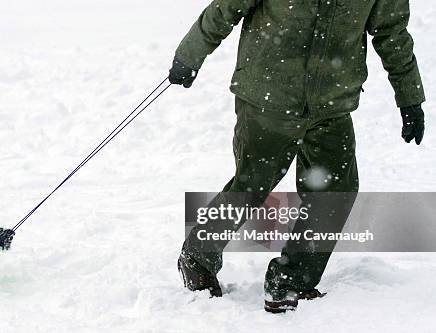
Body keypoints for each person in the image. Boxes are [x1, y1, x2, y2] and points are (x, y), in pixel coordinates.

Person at [169, 0, 425, 312]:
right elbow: (227, 6)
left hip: (332, 102)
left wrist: (409, 97)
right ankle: (198, 256)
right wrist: (190, 54)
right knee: (251, 185)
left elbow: (391, 31)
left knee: (334, 192)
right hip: (269, 95)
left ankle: (291, 280)